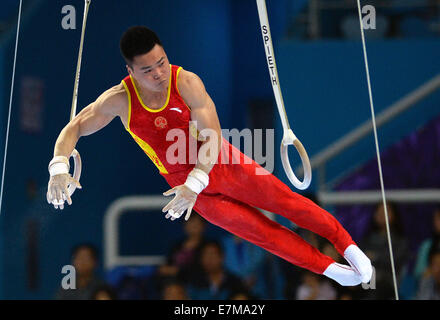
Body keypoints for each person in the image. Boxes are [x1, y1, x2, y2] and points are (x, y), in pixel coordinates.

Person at [46, 26, 372, 286]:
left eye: (161, 62)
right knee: (261, 234)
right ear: (130, 70)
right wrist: (59, 167)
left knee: (288, 204)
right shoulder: (119, 100)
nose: (159, 73)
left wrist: (196, 179)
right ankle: (328, 269)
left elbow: (213, 136)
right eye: (147, 69)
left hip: (220, 163)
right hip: (188, 190)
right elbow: (73, 128)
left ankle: (348, 246)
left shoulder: (185, 81)